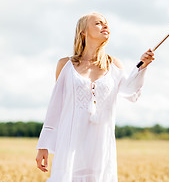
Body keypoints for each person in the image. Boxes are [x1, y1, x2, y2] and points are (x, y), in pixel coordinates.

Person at [35, 12, 155, 181]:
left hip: (100, 143)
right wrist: (43, 146)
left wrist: (142, 66)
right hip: (70, 142)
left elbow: (130, 92)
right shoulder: (65, 65)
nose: (105, 26)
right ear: (83, 31)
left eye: (106, 23)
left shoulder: (113, 64)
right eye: (98, 23)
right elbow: (56, 107)